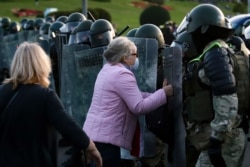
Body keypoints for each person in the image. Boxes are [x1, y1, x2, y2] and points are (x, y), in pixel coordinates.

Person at [0, 42, 102, 167]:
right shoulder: (44, 96)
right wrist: (90, 146)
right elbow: (68, 126)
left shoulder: (2, 92)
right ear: (42, 64)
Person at [176, 4, 249, 167]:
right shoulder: (221, 49)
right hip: (230, 132)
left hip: (224, 137)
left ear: (203, 29)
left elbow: (227, 98)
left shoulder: (215, 54)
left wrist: (217, 140)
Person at [83, 36, 173, 167]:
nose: (137, 58)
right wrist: (164, 93)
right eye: (135, 54)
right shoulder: (122, 74)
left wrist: (156, 94)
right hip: (106, 141)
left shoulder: (108, 70)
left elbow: (134, 95)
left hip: (95, 136)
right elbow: (138, 107)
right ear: (125, 57)